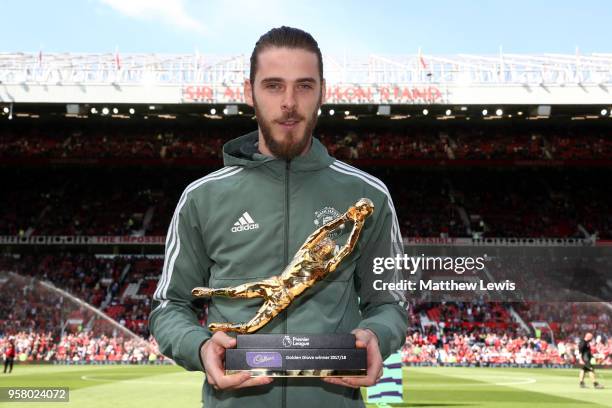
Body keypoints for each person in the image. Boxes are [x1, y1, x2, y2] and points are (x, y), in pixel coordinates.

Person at [149, 26, 408, 408]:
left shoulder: (368, 196)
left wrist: (376, 336)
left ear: (324, 91)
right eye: (273, 85)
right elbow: (169, 306)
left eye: (304, 86)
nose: (289, 102)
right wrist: (201, 347)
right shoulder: (202, 197)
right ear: (248, 92)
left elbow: (389, 304)